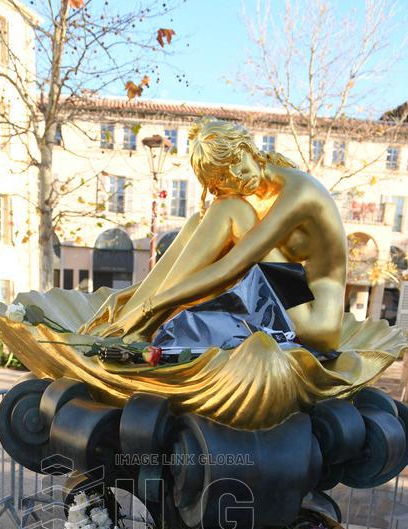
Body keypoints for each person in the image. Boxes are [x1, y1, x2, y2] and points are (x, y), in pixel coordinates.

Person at [80, 118, 348, 353]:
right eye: (222, 178)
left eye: (235, 162)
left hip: (314, 321)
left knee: (229, 209)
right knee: (199, 221)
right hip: (284, 298)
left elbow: (232, 265)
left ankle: (140, 323)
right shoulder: (252, 195)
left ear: (247, 148)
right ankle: (128, 321)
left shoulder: (299, 191)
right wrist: (132, 296)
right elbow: (207, 258)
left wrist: (151, 306)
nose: (236, 177)